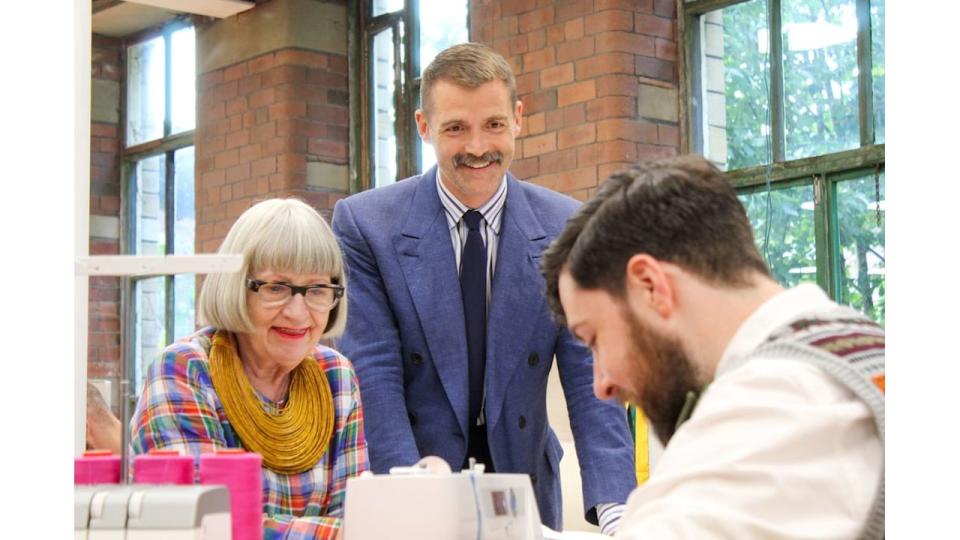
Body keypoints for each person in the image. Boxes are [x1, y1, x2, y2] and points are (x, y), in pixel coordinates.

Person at [331, 42, 635, 533]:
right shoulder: (365, 225)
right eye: (456, 128)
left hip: (524, 488)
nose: (477, 147)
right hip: (416, 475)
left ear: (518, 118)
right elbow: (375, 370)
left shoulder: (567, 224)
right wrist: (406, 493)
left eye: (493, 124)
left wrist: (618, 509)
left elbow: (590, 373)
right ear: (424, 127)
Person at [541, 155, 884, 539]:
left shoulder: (770, 406)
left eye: (595, 339)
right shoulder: (853, 352)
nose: (601, 384)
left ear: (650, 285)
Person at [131, 198, 368, 540]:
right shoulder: (184, 369)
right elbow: (205, 524)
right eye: (276, 288)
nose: (298, 313)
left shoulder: (336, 375)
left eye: (317, 289)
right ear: (237, 286)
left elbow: (356, 516)